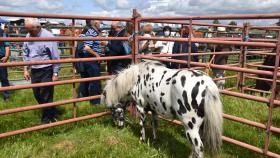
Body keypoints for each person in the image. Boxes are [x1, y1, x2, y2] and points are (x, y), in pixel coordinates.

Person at [22, 18, 61, 124]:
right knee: (37, 95)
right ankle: (52, 111)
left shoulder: (48, 37)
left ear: (38, 27)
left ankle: (46, 120)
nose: (29, 33)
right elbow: (25, 52)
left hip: (46, 69)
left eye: (31, 30)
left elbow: (55, 56)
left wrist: (55, 72)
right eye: (28, 30)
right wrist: (25, 69)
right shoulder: (28, 36)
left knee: (46, 95)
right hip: (34, 70)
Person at [77, 20, 104, 105]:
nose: (101, 24)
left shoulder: (94, 32)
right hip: (91, 59)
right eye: (100, 23)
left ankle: (84, 96)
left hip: (91, 59)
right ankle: (95, 102)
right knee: (95, 81)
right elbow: (87, 47)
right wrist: (97, 55)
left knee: (90, 79)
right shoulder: (91, 32)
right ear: (95, 23)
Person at [0, 27, 11, 102]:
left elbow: (7, 45)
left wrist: (6, 56)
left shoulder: (3, 33)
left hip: (1, 58)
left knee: (3, 77)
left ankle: (7, 96)